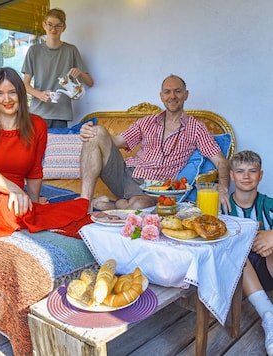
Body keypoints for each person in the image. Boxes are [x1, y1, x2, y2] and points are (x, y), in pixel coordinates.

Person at [0, 67, 90, 248]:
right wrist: (15, 190)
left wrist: (34, 202)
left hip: (14, 195)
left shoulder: (37, 125)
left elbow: (35, 170)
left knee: (26, 210)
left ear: (21, 94)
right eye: (0, 94)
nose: (7, 99)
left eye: (12, 92)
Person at [79, 74, 230, 211]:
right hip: (125, 175)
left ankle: (110, 205)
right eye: (167, 92)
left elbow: (221, 161)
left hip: (156, 187)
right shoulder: (147, 121)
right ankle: (84, 204)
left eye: (177, 91)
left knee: (138, 206)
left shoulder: (196, 128)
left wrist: (223, 188)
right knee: (97, 132)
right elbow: (118, 141)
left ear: (186, 95)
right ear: (161, 96)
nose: (172, 96)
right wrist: (90, 131)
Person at [224, 151, 273, 355]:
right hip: (235, 275)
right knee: (237, 248)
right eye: (240, 171)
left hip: (268, 270)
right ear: (232, 176)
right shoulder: (221, 207)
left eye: (252, 171)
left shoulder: (268, 205)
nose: (246, 176)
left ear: (260, 175)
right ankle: (268, 315)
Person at [21, 8, 94, 128]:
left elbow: (90, 82)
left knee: (58, 147)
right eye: (50, 24)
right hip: (37, 113)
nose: (53, 29)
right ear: (44, 25)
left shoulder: (71, 50)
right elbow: (25, 84)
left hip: (61, 115)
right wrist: (39, 94)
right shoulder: (34, 51)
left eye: (58, 26)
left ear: (63, 27)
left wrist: (79, 72)